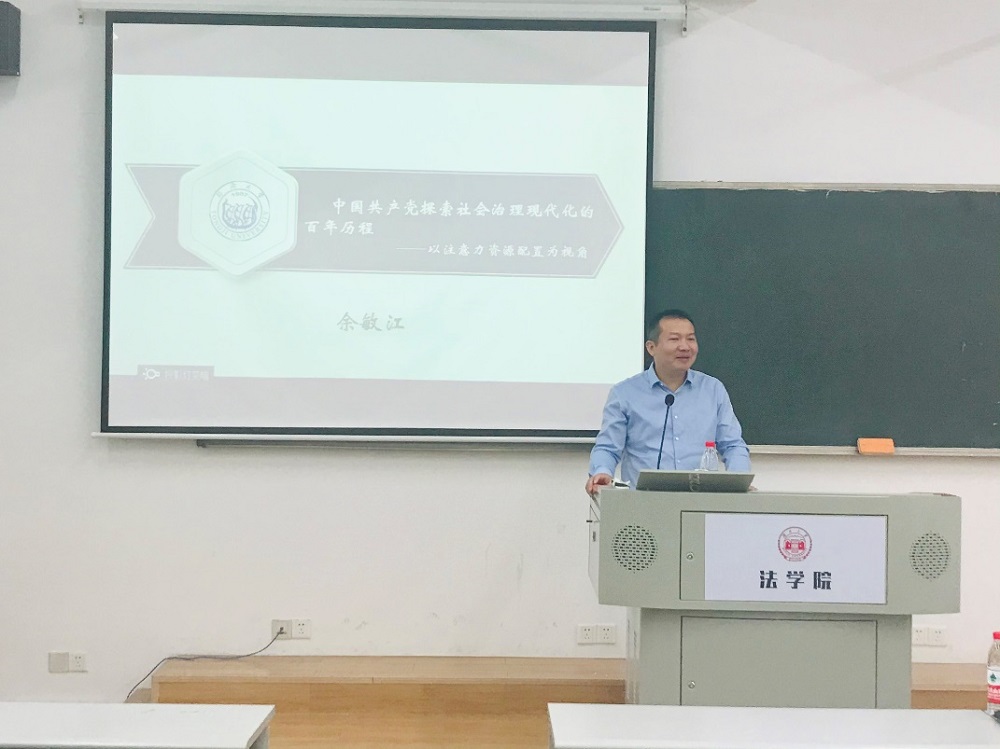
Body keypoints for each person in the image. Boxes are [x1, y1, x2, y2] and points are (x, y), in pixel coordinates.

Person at [586, 309, 750, 497]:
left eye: (690, 339)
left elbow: (732, 445)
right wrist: (602, 472)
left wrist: (739, 481)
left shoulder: (713, 390)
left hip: (702, 501)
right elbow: (608, 447)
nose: (685, 347)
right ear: (651, 348)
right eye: (674, 339)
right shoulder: (625, 394)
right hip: (643, 502)